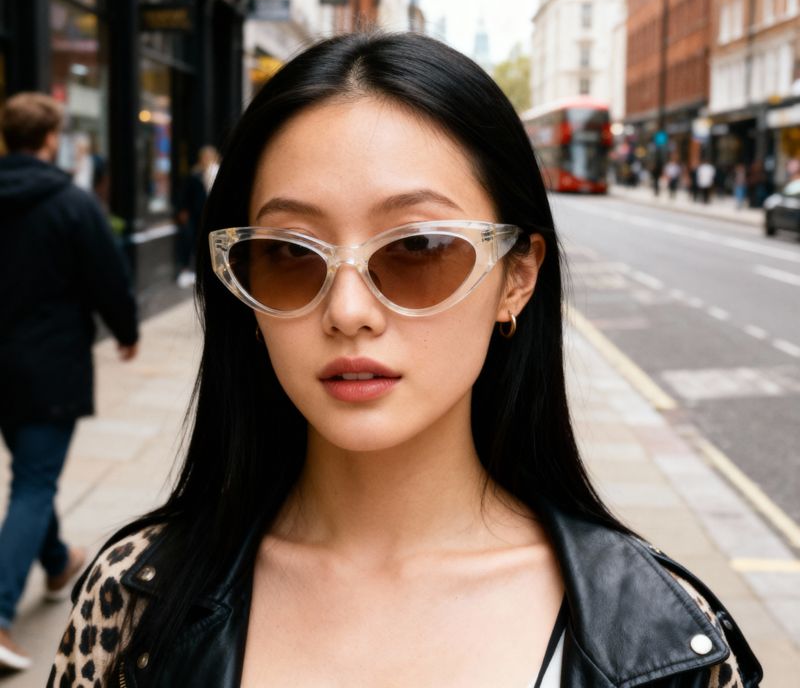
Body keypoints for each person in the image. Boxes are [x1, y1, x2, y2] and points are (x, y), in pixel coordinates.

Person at [49, 34, 761, 687]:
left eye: (418, 249)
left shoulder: (663, 643)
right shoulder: (136, 599)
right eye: (292, 255)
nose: (349, 310)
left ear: (516, 277)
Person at [0, 92, 139, 672]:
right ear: (51, 139)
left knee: (32, 474)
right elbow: (106, 273)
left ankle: (57, 562)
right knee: (34, 482)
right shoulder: (70, 203)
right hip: (49, 365)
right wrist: (126, 329)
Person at [175, 145, 220, 288]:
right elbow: (185, 195)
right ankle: (193, 271)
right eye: (204, 156)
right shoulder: (195, 174)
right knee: (195, 242)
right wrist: (183, 210)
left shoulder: (217, 172)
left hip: (211, 214)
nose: (206, 159)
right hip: (196, 214)